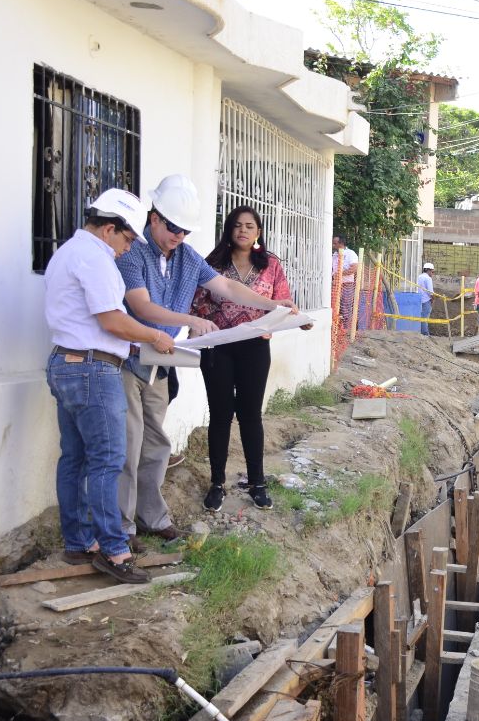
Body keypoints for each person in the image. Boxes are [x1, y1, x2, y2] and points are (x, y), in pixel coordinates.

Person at [117, 174, 297, 550]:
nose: (178, 236)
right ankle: (122, 530)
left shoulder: (187, 257)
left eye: (184, 230)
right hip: (130, 358)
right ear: (154, 218)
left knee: (156, 445)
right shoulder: (133, 252)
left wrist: (272, 306)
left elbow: (228, 288)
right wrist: (191, 320)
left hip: (161, 364)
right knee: (128, 446)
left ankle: (152, 518)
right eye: (172, 228)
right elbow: (140, 306)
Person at [43, 189, 176, 584]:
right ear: (108, 229)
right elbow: (112, 321)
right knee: (108, 460)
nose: (128, 247)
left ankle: (79, 542)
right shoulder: (95, 258)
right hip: (92, 370)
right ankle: (115, 552)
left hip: (66, 362)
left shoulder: (68, 251)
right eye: (128, 238)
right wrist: (153, 336)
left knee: (76, 458)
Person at [192, 206, 312, 512]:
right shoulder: (213, 264)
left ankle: (257, 483)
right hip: (218, 347)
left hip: (255, 348)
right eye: (237, 226)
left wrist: (298, 318)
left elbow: (282, 303)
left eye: (249, 226)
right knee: (219, 415)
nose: (243, 231)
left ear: (258, 232)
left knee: (250, 414)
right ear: (229, 230)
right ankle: (217, 483)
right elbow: (197, 304)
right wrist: (210, 327)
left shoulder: (270, 265)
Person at [331, 234, 359, 328]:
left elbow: (354, 268)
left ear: (341, 243)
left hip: (346, 285)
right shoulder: (334, 255)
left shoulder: (351, 253)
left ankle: (346, 331)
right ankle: (336, 329)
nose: (333, 245)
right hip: (335, 285)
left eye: (335, 243)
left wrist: (339, 273)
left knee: (345, 308)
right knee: (334, 308)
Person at [418, 261, 436, 336]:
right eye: (432, 271)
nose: (433, 273)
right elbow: (430, 292)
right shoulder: (428, 279)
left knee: (422, 317)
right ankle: (425, 333)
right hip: (426, 300)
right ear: (428, 270)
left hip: (419, 299)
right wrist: (433, 299)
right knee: (425, 318)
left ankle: (422, 332)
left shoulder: (419, 277)